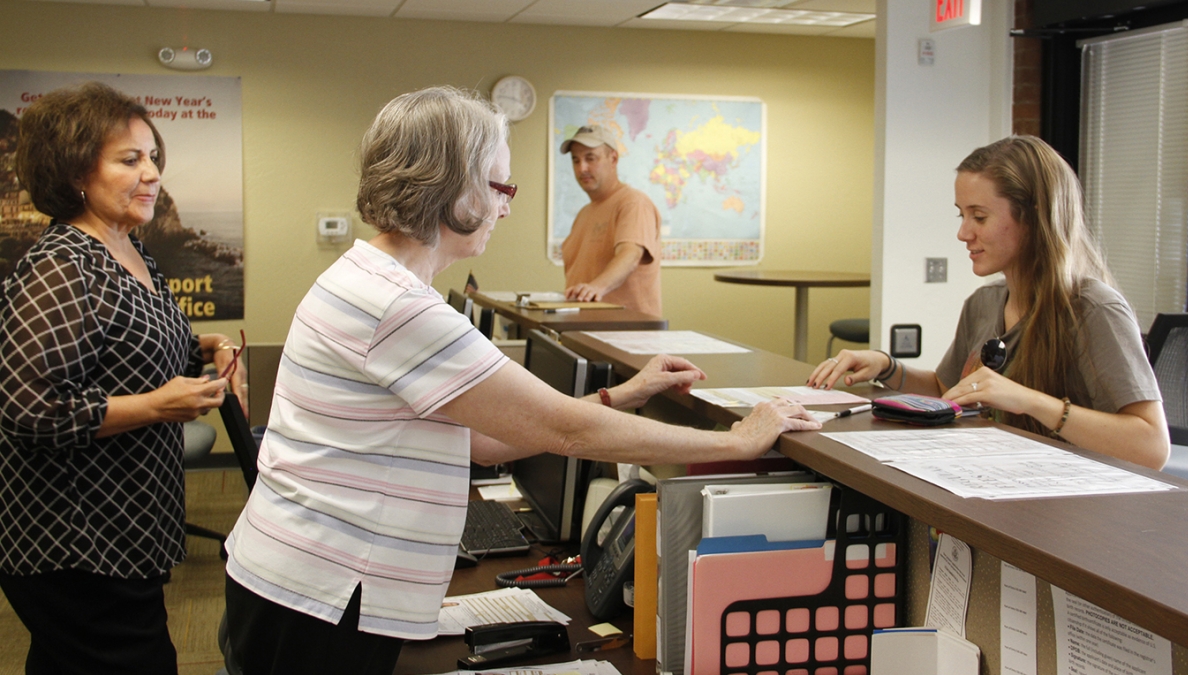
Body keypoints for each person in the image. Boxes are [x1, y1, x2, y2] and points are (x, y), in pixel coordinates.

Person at [221, 86, 819, 675]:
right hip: (319, 594)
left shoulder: (371, 280)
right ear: (451, 186)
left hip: (298, 578)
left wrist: (619, 394)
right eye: (501, 187)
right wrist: (737, 442)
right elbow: (567, 431)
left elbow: (484, 439)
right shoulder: (399, 307)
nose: (506, 207)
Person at [0, 82, 246, 673]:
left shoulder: (127, 249)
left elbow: (139, 354)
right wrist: (157, 407)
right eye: (130, 160)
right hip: (73, 538)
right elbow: (28, 411)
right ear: (76, 171)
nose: (152, 173)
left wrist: (203, 347)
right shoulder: (61, 267)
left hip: (125, 527)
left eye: (153, 157)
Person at [808, 135, 1169, 470]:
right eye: (961, 215)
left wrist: (1029, 401)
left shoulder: (1093, 310)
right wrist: (887, 367)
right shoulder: (984, 303)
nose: (964, 232)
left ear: (1033, 217)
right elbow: (947, 390)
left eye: (979, 217)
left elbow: (1151, 446)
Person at [560, 124, 663, 316]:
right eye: (576, 160)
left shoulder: (633, 203)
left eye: (590, 158)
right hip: (585, 330)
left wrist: (596, 288)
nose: (582, 168)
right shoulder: (584, 214)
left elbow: (630, 255)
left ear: (613, 158)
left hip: (627, 335)